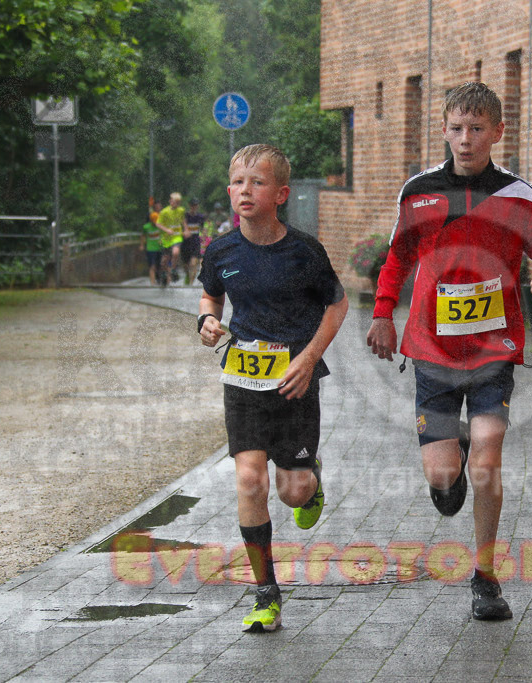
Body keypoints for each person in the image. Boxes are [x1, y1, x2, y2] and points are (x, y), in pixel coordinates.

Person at [366, 82, 532, 620]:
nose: (466, 139)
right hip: (433, 353)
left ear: (497, 133)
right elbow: (396, 259)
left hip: (492, 352)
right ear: (444, 129)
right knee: (442, 477)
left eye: (477, 129)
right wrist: (381, 314)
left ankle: (485, 578)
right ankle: (447, 463)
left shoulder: (517, 197)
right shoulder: (419, 192)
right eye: (456, 128)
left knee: (488, 458)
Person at [197, 144, 348, 632]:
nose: (246, 190)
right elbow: (210, 295)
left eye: (257, 183)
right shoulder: (220, 251)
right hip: (243, 378)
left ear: (280, 194)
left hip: (293, 380)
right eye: (239, 182)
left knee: (293, 492)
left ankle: (311, 480)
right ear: (229, 191)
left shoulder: (304, 251)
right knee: (248, 479)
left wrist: (308, 359)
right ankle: (265, 592)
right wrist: (207, 320)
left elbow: (337, 306)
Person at [182, 198, 205, 285]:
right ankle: (187, 275)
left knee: (193, 263)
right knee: (186, 265)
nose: (194, 207)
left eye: (196, 205)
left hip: (195, 242)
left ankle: (191, 284)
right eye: (193, 205)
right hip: (185, 243)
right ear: (190, 206)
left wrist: (203, 236)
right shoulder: (185, 216)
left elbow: (203, 228)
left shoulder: (200, 217)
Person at [140, 203, 164, 286]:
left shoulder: (160, 226)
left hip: (159, 248)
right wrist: (142, 245)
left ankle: (159, 279)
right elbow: (143, 236)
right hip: (150, 249)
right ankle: (152, 284)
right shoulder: (146, 227)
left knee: (159, 266)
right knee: (152, 266)